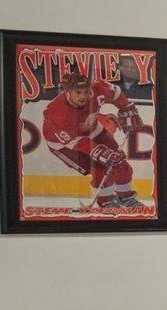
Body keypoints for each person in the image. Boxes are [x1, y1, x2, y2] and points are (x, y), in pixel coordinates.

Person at [42, 72, 146, 210]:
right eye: (78, 92)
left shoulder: (97, 90)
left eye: (85, 91)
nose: (83, 96)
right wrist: (100, 152)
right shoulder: (57, 113)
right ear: (67, 91)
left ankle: (126, 198)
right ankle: (106, 201)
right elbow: (75, 141)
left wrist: (127, 108)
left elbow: (116, 93)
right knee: (101, 167)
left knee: (119, 162)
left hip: (93, 129)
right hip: (64, 146)